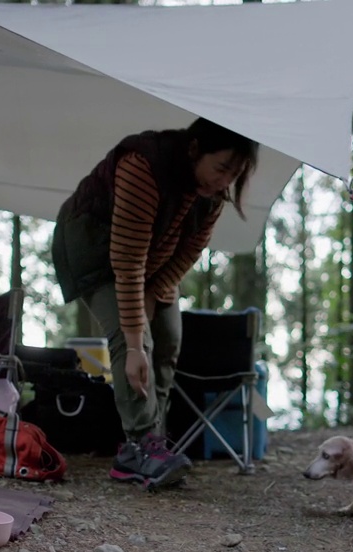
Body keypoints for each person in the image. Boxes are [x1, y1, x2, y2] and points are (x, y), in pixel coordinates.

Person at [52, 118, 259, 490]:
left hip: (154, 261)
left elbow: (188, 254)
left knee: (168, 338)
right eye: (222, 168)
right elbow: (127, 262)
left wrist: (153, 294)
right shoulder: (143, 166)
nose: (226, 181)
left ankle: (154, 442)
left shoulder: (212, 195)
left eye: (236, 173)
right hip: (96, 251)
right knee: (135, 341)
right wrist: (133, 343)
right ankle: (139, 446)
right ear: (195, 149)